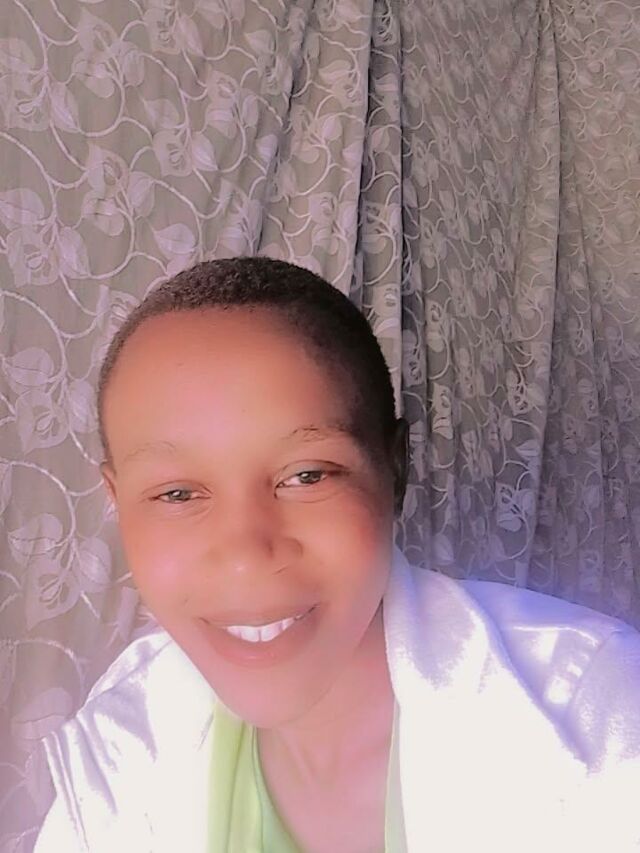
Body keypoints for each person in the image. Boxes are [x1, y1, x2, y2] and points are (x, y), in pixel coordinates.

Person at [34, 257, 640, 853]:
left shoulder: (602, 717)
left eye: (307, 475)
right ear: (116, 500)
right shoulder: (114, 752)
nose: (246, 555)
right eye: (177, 494)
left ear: (394, 468)